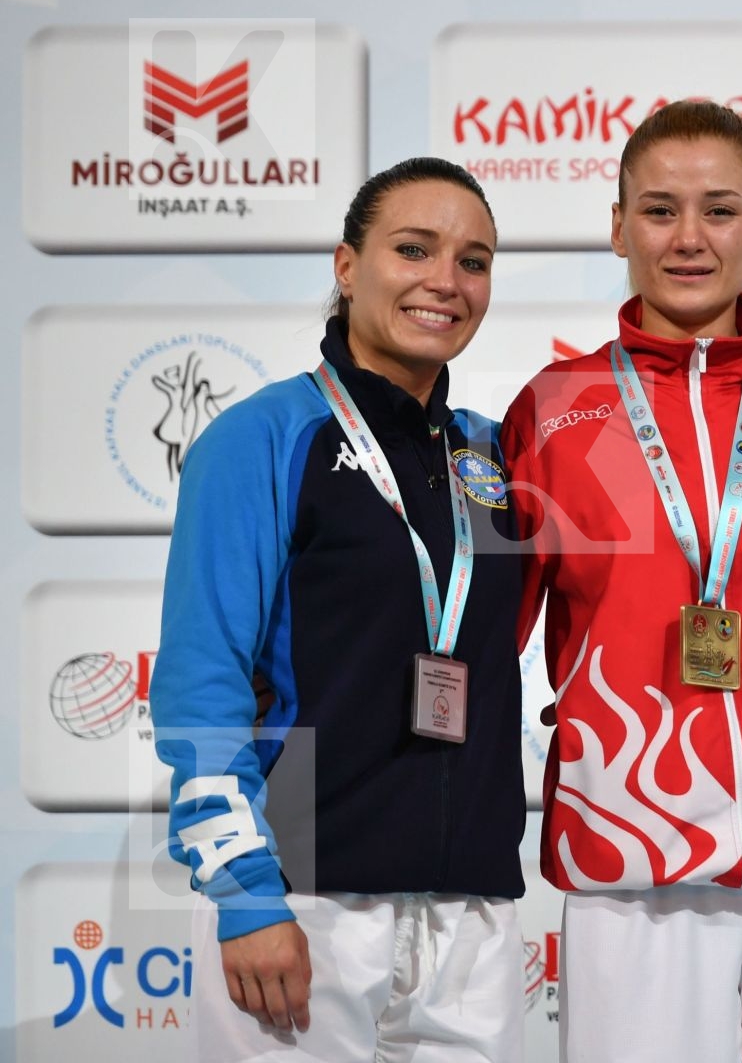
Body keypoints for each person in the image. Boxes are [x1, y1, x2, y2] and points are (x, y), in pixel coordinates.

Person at [501, 99, 742, 1063]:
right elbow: (481, 630)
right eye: (660, 210)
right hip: (634, 848)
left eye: (720, 209)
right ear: (618, 226)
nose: (690, 239)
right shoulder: (554, 408)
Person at [152, 157, 529, 1061]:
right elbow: (202, 681)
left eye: (473, 261)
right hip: (308, 903)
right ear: (346, 265)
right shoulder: (264, 439)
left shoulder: (494, 454)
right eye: (414, 249)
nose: (446, 280)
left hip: (470, 914)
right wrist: (246, 893)